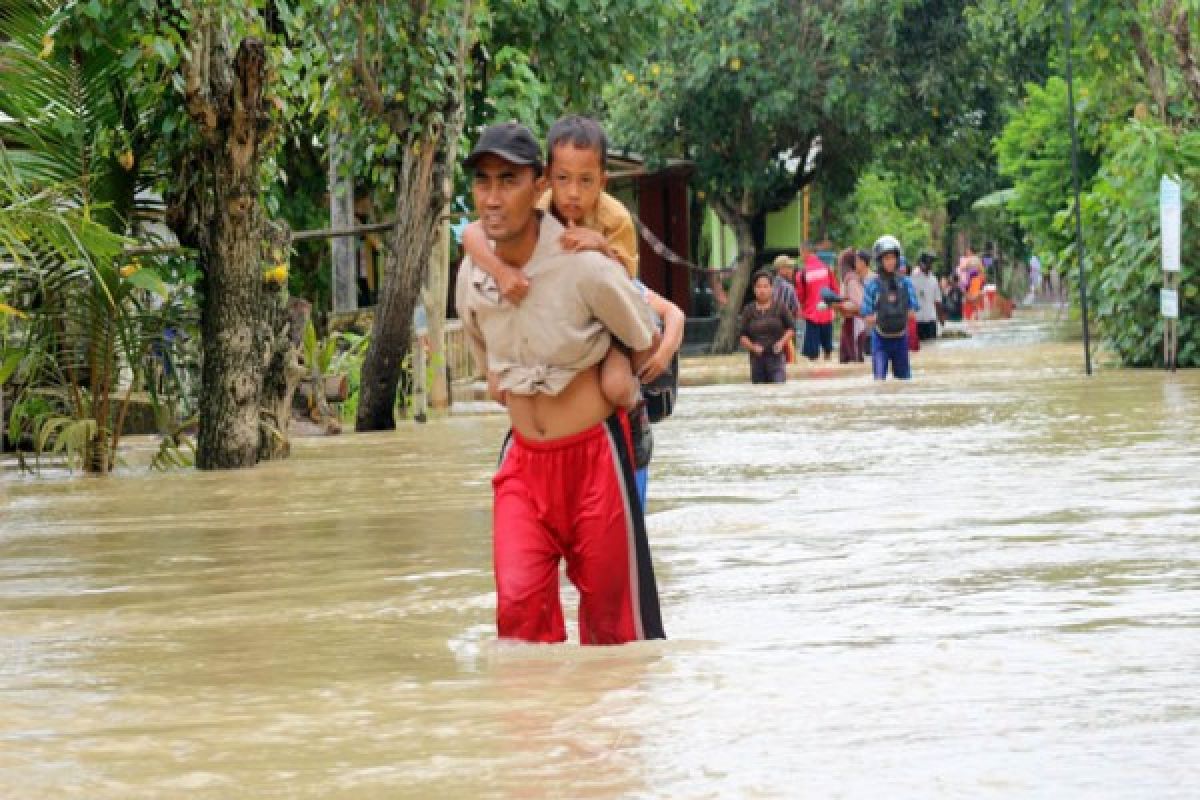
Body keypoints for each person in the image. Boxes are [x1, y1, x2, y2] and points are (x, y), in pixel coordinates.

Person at [456, 122, 666, 645]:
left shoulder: (587, 266)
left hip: (596, 459)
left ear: (537, 185)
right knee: (519, 627)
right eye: (483, 183)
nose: (493, 197)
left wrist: (615, 375)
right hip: (524, 465)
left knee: (616, 639)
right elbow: (487, 361)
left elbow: (643, 337)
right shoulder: (473, 276)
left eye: (508, 181)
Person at [461, 115, 642, 414]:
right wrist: (501, 272)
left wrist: (602, 248)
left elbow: (624, 288)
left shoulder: (615, 219)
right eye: (563, 178)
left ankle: (637, 416)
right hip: (557, 311)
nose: (573, 192)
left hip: (612, 318)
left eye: (585, 181)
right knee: (500, 385)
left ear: (602, 181)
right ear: (547, 178)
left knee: (617, 385)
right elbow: (472, 233)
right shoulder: (537, 207)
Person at [861, 234, 920, 381]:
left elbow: (913, 313)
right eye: (886, 258)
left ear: (898, 259)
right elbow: (867, 317)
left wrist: (898, 310)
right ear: (879, 260)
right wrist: (881, 315)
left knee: (904, 381)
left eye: (893, 258)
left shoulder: (906, 283)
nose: (890, 262)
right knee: (879, 381)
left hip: (901, 339)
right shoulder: (872, 285)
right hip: (880, 340)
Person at [739, 270, 795, 383]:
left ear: (771, 288)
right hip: (756, 360)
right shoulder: (748, 310)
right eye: (759, 287)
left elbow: (791, 329)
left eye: (765, 286)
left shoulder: (780, 307)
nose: (762, 290)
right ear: (754, 289)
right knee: (759, 392)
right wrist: (753, 347)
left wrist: (781, 342)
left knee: (778, 387)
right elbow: (742, 337)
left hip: (776, 358)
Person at [796, 250, 839, 361]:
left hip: (812, 315)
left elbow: (800, 295)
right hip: (827, 313)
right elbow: (835, 290)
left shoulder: (802, 273)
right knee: (828, 350)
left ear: (805, 253)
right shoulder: (826, 268)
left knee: (812, 354)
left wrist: (803, 308)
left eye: (800, 254)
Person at [836, 248, 867, 363]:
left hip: (855, 324)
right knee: (846, 360)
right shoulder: (847, 279)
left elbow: (859, 304)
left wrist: (840, 305)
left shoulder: (851, 280)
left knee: (854, 360)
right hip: (848, 323)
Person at [771, 254, 801, 363]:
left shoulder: (769, 286)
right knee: (789, 363)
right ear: (781, 269)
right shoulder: (789, 288)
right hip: (785, 332)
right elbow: (796, 310)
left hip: (770, 331)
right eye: (789, 267)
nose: (792, 270)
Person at [912, 252, 942, 341]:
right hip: (918, 320)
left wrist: (941, 318)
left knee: (932, 347)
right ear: (921, 264)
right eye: (929, 262)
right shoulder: (913, 278)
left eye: (931, 263)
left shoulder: (934, 279)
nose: (931, 265)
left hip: (931, 320)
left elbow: (937, 301)